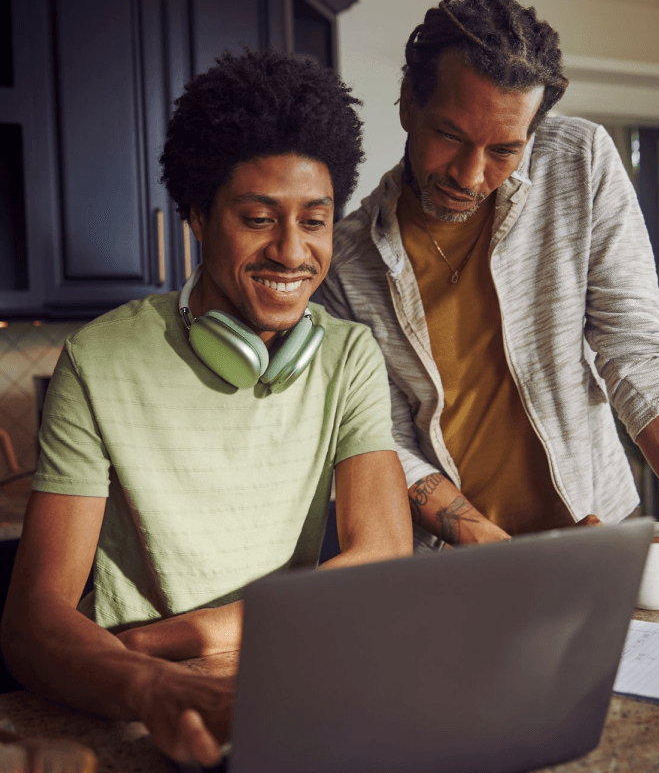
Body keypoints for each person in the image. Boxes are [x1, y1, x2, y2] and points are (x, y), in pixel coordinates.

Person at [0, 48, 412, 768]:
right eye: (258, 218)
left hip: (283, 690)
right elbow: (35, 620)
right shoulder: (99, 361)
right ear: (195, 215)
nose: (292, 251)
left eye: (314, 222)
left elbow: (381, 558)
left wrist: (188, 635)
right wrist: (149, 682)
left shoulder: (348, 356)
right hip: (128, 705)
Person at [319, 0, 659, 572]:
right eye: (451, 136)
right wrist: (488, 543)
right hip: (458, 566)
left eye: (505, 150)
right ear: (409, 101)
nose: (470, 175)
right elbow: (384, 438)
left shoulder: (578, 161)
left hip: (599, 535)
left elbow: (639, 353)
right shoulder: (344, 259)